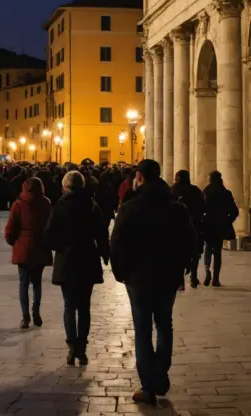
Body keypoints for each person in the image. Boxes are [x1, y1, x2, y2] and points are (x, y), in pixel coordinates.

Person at [110, 159, 195, 405]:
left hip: (138, 278)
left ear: (140, 177)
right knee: (164, 324)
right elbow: (190, 241)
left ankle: (148, 385)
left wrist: (119, 272)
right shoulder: (176, 209)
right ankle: (160, 373)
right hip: (168, 276)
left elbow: (116, 243)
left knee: (143, 329)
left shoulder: (130, 208)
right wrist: (183, 267)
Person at [45, 170, 109, 365]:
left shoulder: (60, 206)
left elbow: (49, 235)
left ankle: (72, 344)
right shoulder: (91, 205)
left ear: (65, 186)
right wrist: (105, 254)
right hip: (87, 258)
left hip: (67, 260)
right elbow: (101, 233)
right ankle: (82, 346)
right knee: (84, 306)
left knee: (69, 304)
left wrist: (59, 246)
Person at [4, 177, 53, 329]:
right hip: (40, 246)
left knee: (23, 283)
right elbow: (50, 224)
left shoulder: (18, 204)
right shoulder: (46, 203)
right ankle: (36, 310)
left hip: (23, 247)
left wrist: (14, 242)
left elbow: (10, 228)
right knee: (37, 282)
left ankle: (25, 316)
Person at [202, 170, 239, 288]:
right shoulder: (225, 193)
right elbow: (234, 211)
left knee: (208, 247)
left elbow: (201, 208)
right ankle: (216, 279)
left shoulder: (206, 192)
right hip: (220, 225)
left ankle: (207, 270)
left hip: (208, 224)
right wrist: (227, 221)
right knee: (217, 251)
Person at [170, 169, 206, 288]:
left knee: (178, 252)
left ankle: (180, 281)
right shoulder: (194, 190)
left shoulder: (173, 190)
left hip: (177, 226)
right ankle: (193, 277)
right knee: (195, 253)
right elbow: (203, 206)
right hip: (195, 225)